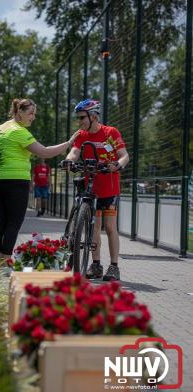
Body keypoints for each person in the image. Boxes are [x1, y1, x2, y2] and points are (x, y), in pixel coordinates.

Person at [0, 98, 79, 263]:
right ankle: (6, 260)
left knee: (2, 220)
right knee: (14, 222)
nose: (33, 117)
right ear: (19, 112)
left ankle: (1, 258)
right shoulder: (19, 131)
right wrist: (69, 143)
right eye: (30, 113)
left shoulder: (0, 129)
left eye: (34, 114)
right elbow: (44, 152)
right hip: (16, 181)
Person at [64, 99, 129, 281]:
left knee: (109, 227)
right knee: (94, 229)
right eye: (78, 118)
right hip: (90, 187)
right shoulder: (82, 135)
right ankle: (96, 264)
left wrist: (117, 164)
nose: (80, 121)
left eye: (82, 117)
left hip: (109, 188)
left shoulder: (110, 132)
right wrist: (69, 160)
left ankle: (114, 267)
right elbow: (75, 152)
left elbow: (124, 155)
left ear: (93, 116)